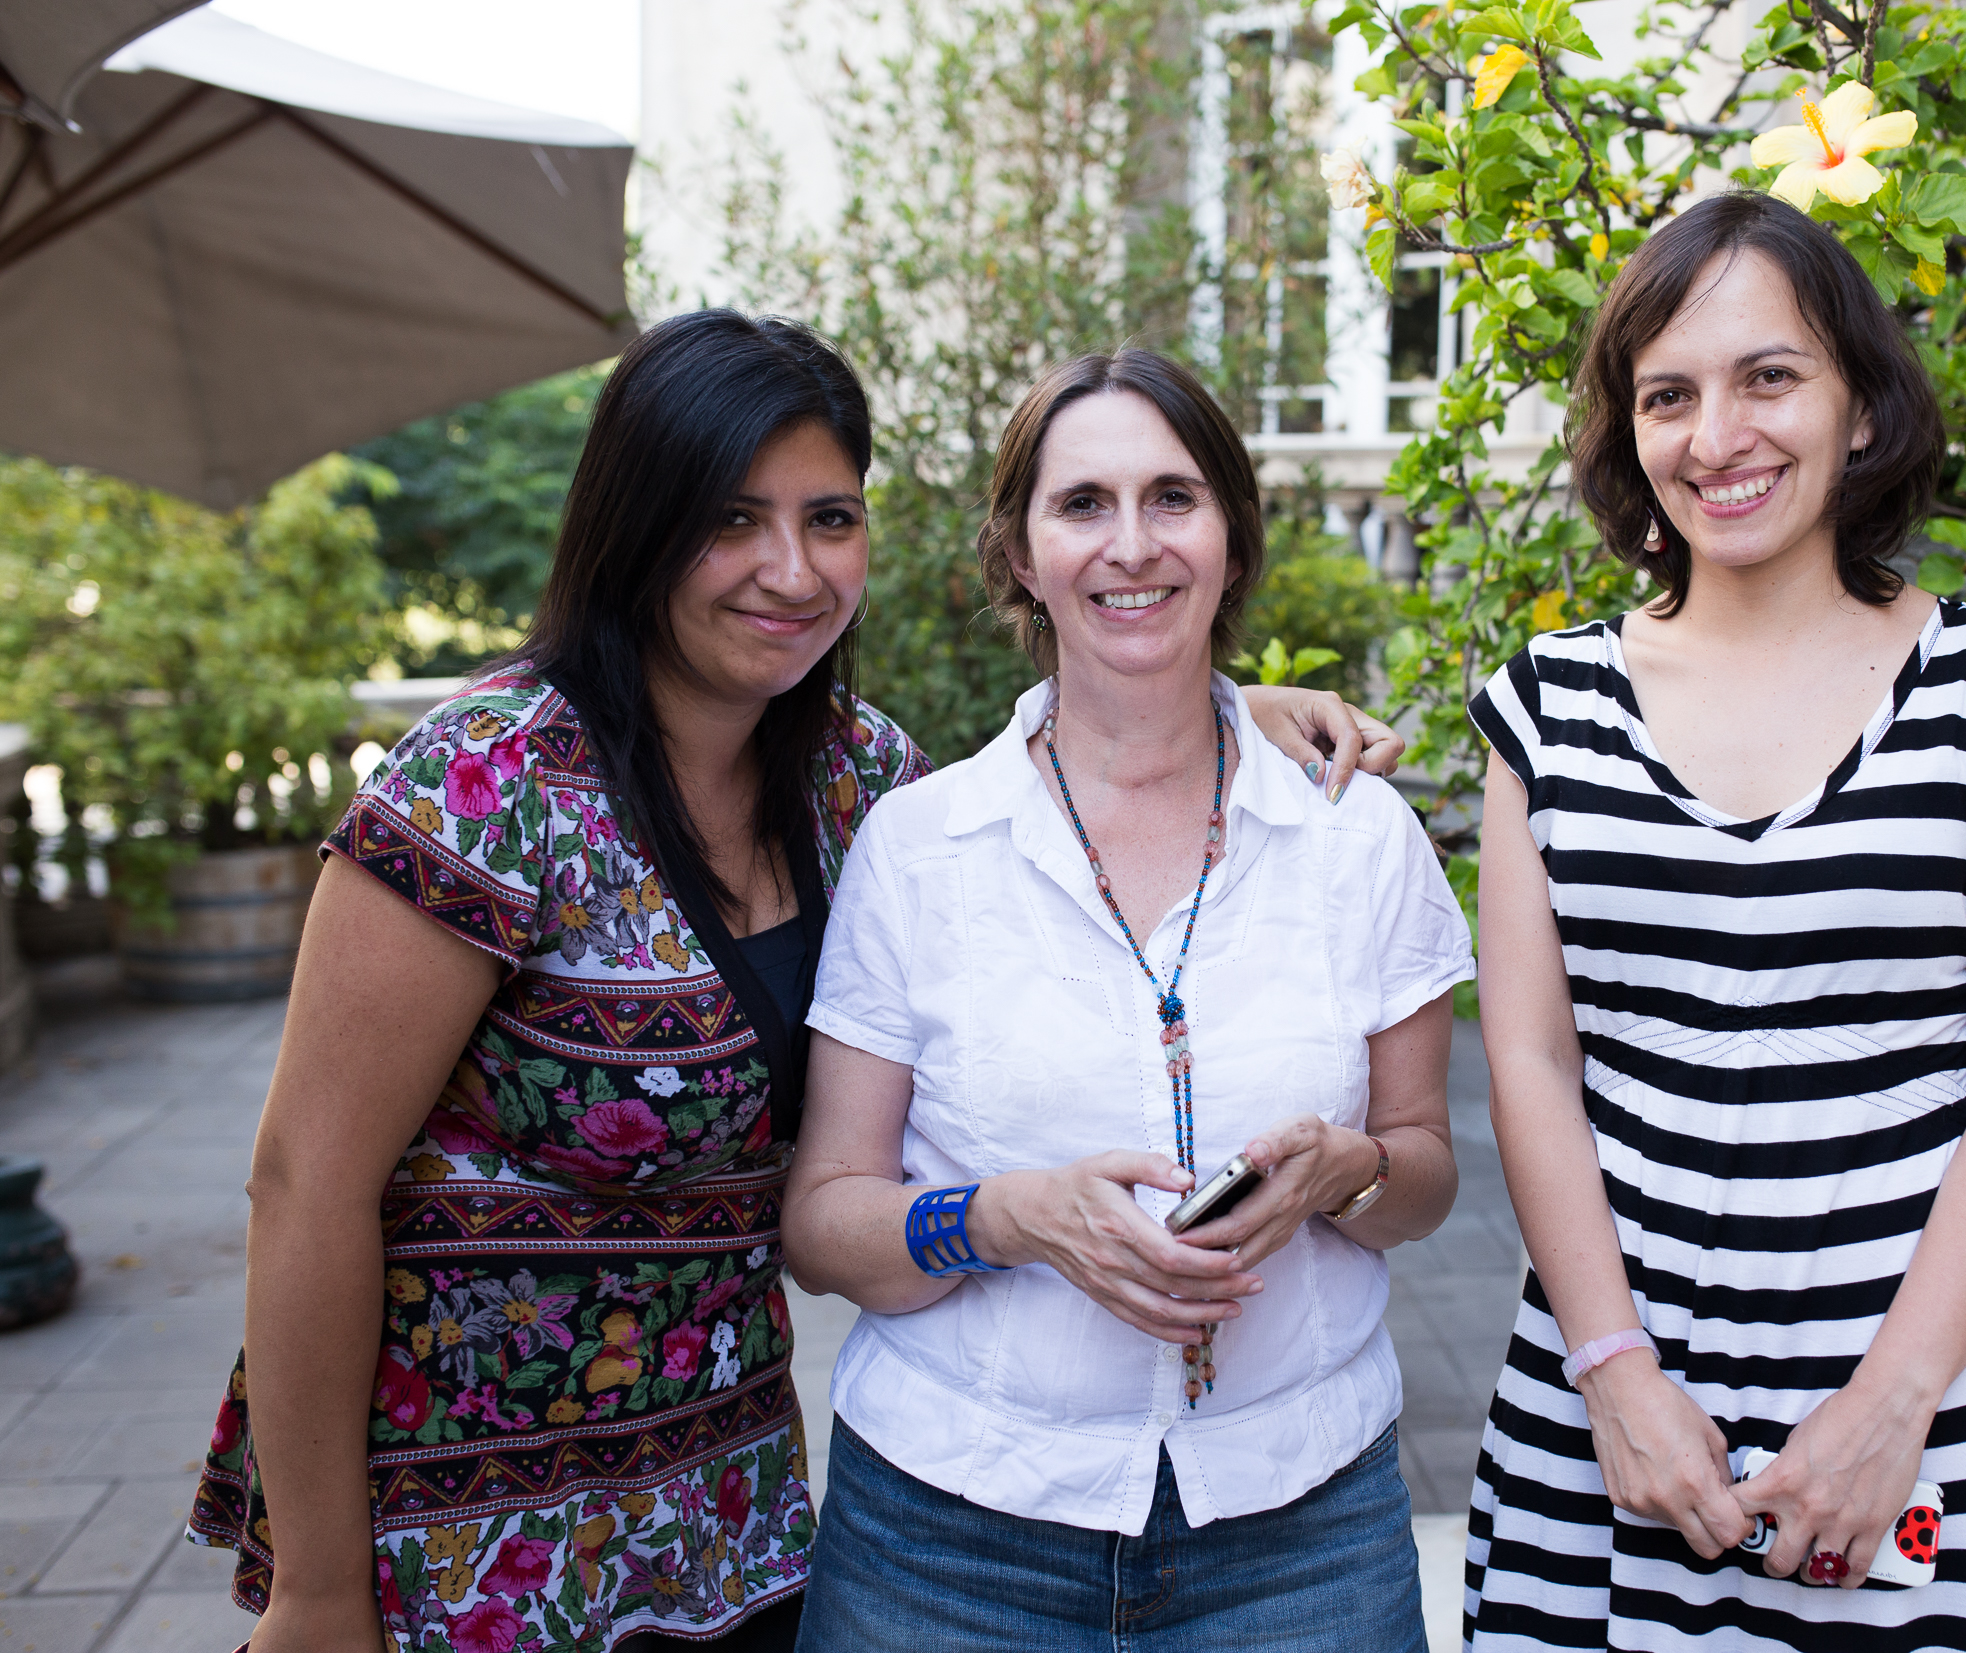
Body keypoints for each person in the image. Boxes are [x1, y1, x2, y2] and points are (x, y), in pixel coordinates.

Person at [185, 311, 1407, 1653]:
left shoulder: (853, 776)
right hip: (463, 1520)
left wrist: (1235, 713)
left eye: (830, 519)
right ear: (638, 527)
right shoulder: (489, 786)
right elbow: (303, 1182)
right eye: (732, 519)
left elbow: (1062, 783)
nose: (792, 569)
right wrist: (317, 1588)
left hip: (723, 1512)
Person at [1460, 191, 1966, 1652]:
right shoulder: (1546, 707)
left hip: (1906, 1433)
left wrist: (1891, 1405)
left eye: (1769, 376)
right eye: (1668, 395)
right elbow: (1530, 1062)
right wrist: (1614, 1373)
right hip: (1601, 1435)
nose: (1718, 435)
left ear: (1860, 406)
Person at [781, 346, 1473, 1652]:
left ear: (1231, 535)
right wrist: (1006, 1218)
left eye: (1173, 497)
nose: (1133, 544)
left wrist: (1348, 1174)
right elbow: (823, 1226)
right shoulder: (920, 849)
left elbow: (1424, 1175)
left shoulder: (1357, 836)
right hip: (950, 1543)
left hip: (1303, 1535)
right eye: (1083, 503)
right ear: (1020, 553)